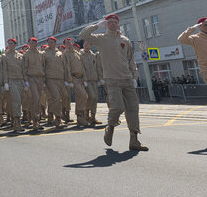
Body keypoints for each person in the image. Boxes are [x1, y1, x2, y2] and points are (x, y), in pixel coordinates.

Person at [81, 14, 148, 151]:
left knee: (133, 109)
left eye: (114, 22)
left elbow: (131, 60)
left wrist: (134, 76)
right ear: (106, 24)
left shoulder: (125, 40)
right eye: (109, 22)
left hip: (127, 79)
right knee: (117, 107)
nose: (112, 24)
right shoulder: (101, 39)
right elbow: (84, 34)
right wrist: (96, 26)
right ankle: (110, 127)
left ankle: (134, 140)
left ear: (118, 24)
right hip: (112, 79)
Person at [22, 37, 46, 131]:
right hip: (31, 78)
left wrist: (44, 79)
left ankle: (35, 118)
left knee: (38, 99)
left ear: (36, 43)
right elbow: (24, 68)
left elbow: (43, 66)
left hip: (39, 78)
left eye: (34, 42)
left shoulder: (41, 54)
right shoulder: (26, 54)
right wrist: (26, 80)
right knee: (35, 98)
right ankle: (35, 120)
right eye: (31, 43)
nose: (33, 44)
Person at [2, 38, 25, 133]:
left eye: (12, 43)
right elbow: (4, 70)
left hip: (20, 80)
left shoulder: (20, 55)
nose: (10, 45)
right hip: (11, 81)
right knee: (16, 101)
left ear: (15, 45)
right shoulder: (5, 56)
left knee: (19, 101)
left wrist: (25, 81)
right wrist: (6, 82)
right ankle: (17, 122)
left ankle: (15, 120)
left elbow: (23, 69)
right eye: (9, 43)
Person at [42, 37, 66, 128]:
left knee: (55, 99)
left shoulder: (60, 53)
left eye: (52, 42)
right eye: (49, 42)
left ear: (55, 43)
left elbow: (64, 66)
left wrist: (66, 79)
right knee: (56, 98)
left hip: (59, 78)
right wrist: (43, 81)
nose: (50, 43)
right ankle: (58, 119)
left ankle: (50, 116)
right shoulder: (44, 54)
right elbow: (42, 67)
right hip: (50, 79)